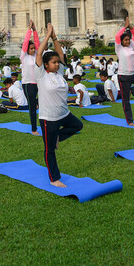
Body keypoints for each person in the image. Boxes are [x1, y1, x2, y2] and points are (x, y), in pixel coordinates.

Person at [34, 23, 83, 188]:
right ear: (46, 65)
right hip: (49, 117)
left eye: (57, 62)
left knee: (78, 125)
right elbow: (39, 53)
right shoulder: (41, 75)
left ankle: (57, 138)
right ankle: (54, 178)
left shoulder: (60, 72)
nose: (56, 64)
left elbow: (60, 53)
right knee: (49, 150)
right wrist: (47, 35)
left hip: (64, 114)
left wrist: (55, 37)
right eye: (53, 62)